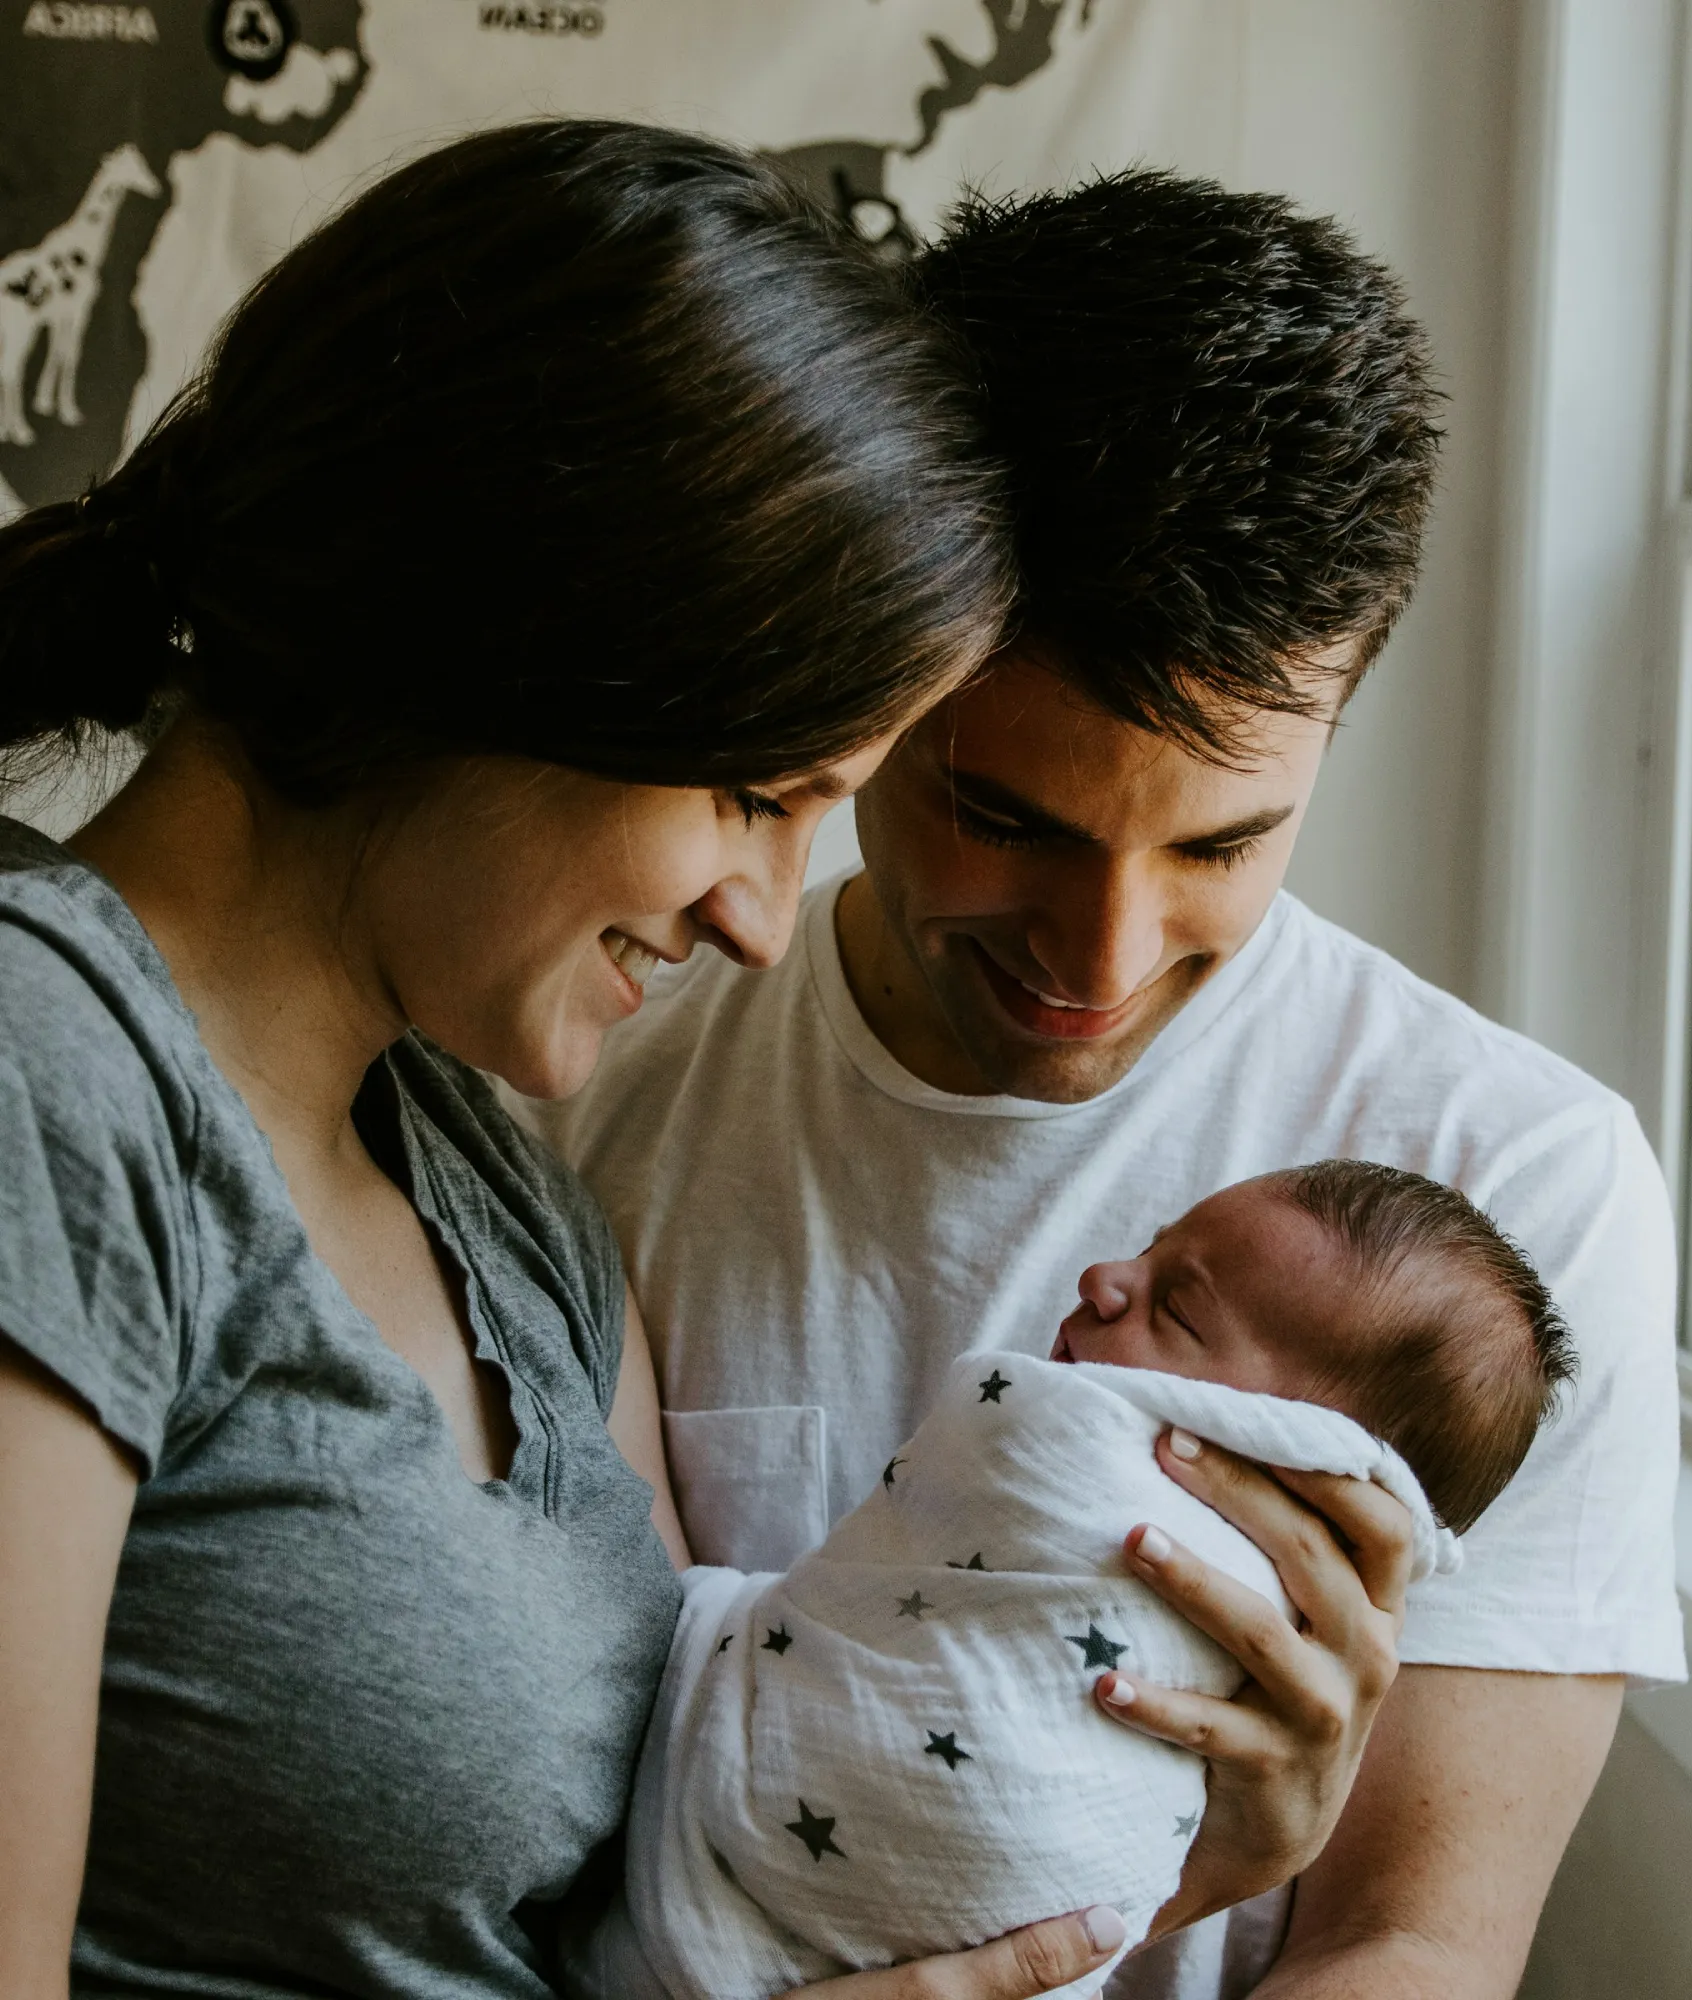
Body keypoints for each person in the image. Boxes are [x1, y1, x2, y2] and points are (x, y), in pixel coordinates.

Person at [0, 123, 1406, 2000]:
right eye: (756, 793)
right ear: (505, 646)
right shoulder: (48, 1077)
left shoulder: (486, 1184)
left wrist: (1134, 1840)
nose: (766, 914)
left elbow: (653, 1904)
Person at [522, 171, 1685, 2000]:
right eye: (1004, 818)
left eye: (1225, 844)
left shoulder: (1516, 1185)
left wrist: (1230, 1870)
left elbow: (1419, 1945)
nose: (1104, 959)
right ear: (876, 673)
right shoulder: (588, 1079)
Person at [605, 1163, 1571, 2000]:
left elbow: (1419, 1942)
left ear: (1299, 1452)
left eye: (1179, 1310)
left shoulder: (1549, 1164)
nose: (1105, 1280)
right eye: (1147, 1252)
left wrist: (1235, 1859)